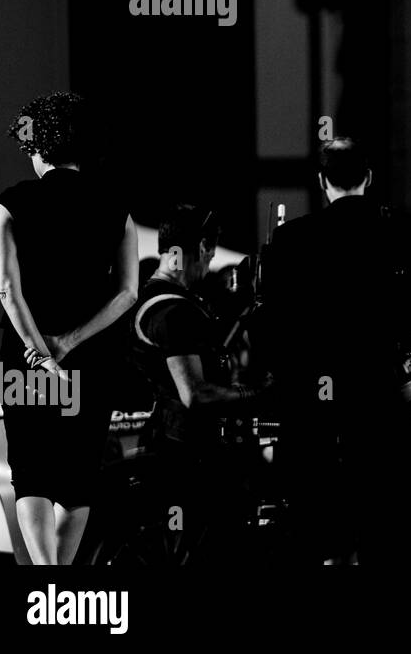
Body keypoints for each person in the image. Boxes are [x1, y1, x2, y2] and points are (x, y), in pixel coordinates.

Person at [266, 137, 411, 565]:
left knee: (319, 529)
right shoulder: (402, 229)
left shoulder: (291, 239)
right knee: (386, 524)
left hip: (314, 405)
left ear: (322, 182)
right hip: (384, 398)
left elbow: (274, 325)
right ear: (370, 178)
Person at [0, 91, 138, 565]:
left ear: (39, 149)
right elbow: (127, 294)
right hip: (91, 358)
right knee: (77, 478)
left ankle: (45, 575)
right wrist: (68, 344)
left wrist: (39, 353)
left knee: (31, 473)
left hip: (24, 358)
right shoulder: (118, 209)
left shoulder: (11, 203)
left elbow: (9, 292)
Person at [130, 204, 270, 561]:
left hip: (167, 449)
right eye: (208, 254)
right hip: (191, 463)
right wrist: (258, 395)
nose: (208, 265)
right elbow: (195, 393)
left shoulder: (146, 299)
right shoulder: (175, 312)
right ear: (203, 247)